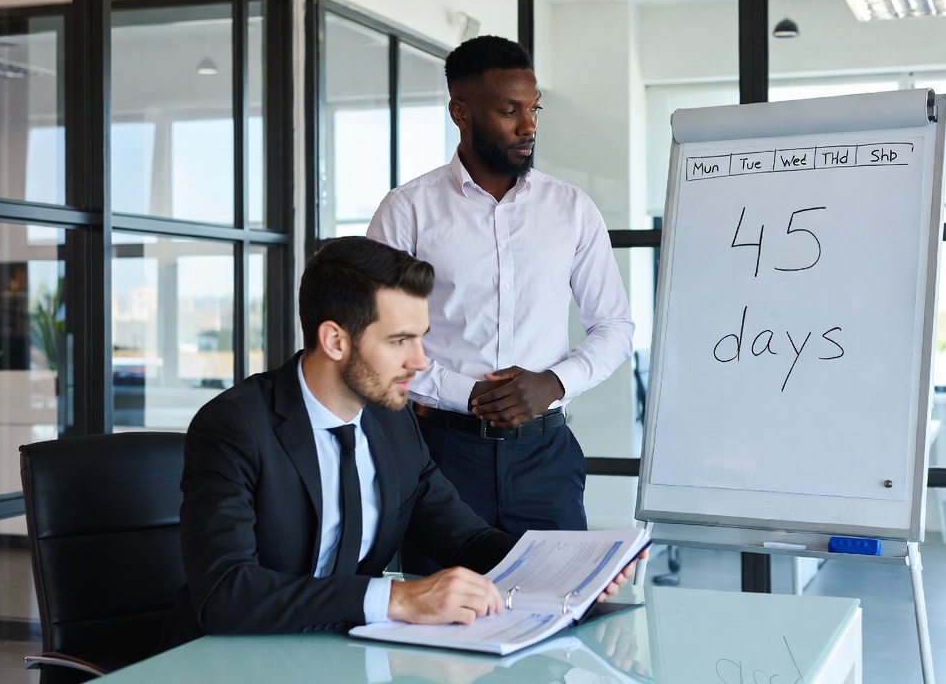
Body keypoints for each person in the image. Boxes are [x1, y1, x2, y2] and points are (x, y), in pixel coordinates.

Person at [160, 237, 635, 647]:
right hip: (229, 659)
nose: (421, 361)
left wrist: (572, 571)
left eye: (422, 338)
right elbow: (224, 592)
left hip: (341, 653)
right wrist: (400, 598)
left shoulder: (392, 423)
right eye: (399, 341)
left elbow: (466, 540)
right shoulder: (235, 426)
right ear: (335, 340)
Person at [367, 35, 635, 570]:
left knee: (559, 615)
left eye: (533, 109)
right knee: (443, 630)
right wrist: (468, 395)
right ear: (460, 113)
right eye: (508, 111)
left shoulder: (571, 210)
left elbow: (615, 326)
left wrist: (553, 384)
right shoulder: (407, 211)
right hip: (440, 460)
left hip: (547, 460)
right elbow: (375, 341)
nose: (528, 125)